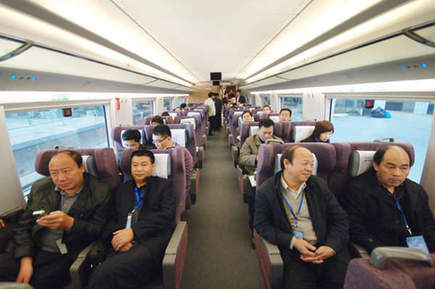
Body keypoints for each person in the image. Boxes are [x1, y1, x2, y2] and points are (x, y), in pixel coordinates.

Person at [0, 150, 112, 289]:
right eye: (54, 173)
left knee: (33, 285)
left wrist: (70, 223)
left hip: (65, 254)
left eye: (66, 171)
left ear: (81, 167)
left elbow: (99, 230)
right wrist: (25, 258)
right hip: (33, 246)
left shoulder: (100, 192)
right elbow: (23, 225)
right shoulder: (40, 188)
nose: (61, 178)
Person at [255, 146, 350, 289]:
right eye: (305, 163)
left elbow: (340, 219)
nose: (309, 169)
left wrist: (331, 246)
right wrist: (293, 241)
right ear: (286, 163)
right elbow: (262, 226)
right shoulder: (267, 191)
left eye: (312, 164)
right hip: (294, 252)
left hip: (325, 246)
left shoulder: (319, 185)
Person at [91, 150, 176, 289]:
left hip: (150, 241)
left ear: (153, 166)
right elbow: (109, 218)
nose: (139, 169)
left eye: (144, 164)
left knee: (107, 272)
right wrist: (115, 238)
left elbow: (167, 215)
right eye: (135, 165)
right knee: (102, 272)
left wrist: (133, 232)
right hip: (121, 242)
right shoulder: (121, 189)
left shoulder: (164, 186)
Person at [342, 145, 435, 254]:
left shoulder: (415, 190)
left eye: (404, 168)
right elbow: (354, 228)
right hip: (385, 250)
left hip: (419, 250)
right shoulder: (357, 190)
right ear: (376, 165)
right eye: (391, 167)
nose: (397, 173)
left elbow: (428, 224)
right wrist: (379, 250)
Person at [239, 119, 283, 231]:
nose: (267, 136)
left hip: (274, 176)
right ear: (258, 130)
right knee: (255, 203)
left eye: (270, 133)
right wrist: (257, 158)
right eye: (265, 133)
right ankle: (254, 230)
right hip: (254, 176)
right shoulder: (250, 141)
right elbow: (242, 159)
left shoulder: (279, 142)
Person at [152, 124, 194, 198]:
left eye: (158, 141)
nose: (156, 145)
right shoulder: (157, 152)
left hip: (179, 187)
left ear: (168, 139)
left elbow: (186, 176)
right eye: (154, 141)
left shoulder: (181, 153)